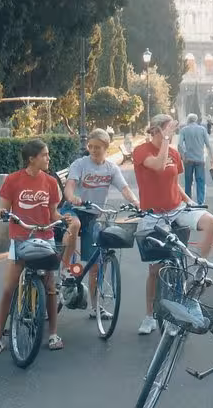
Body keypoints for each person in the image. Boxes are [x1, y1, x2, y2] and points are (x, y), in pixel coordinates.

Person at [133, 114, 213, 334]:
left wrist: (190, 202)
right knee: (155, 270)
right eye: (168, 129)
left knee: (210, 222)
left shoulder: (173, 153)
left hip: (177, 209)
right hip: (153, 215)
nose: (171, 133)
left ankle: (200, 271)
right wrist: (164, 141)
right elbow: (159, 167)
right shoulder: (142, 151)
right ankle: (149, 316)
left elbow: (175, 182)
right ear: (156, 131)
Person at [0, 139, 74, 354]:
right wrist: (1, 213)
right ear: (31, 159)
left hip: (45, 237)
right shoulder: (14, 180)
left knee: (50, 287)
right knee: (9, 288)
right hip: (21, 238)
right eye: (44, 155)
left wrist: (62, 218)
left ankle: (53, 333)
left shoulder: (51, 182)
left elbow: (53, 212)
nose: (48, 158)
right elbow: (5, 209)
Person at [59, 128, 140, 319]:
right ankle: (64, 269)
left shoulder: (111, 169)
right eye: (91, 147)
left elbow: (125, 188)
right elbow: (69, 187)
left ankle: (96, 308)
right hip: (73, 211)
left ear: (106, 147)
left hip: (94, 215)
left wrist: (136, 203)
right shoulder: (80, 164)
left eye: (98, 147)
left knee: (96, 265)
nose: (94, 150)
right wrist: (73, 198)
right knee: (75, 224)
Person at [177, 113, 213, 204]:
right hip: (200, 159)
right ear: (196, 120)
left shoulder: (184, 130)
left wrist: (183, 156)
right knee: (200, 181)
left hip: (188, 159)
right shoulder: (202, 130)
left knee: (188, 181)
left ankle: (188, 201)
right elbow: (209, 145)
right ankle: (200, 202)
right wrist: (211, 158)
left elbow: (179, 145)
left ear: (188, 120)